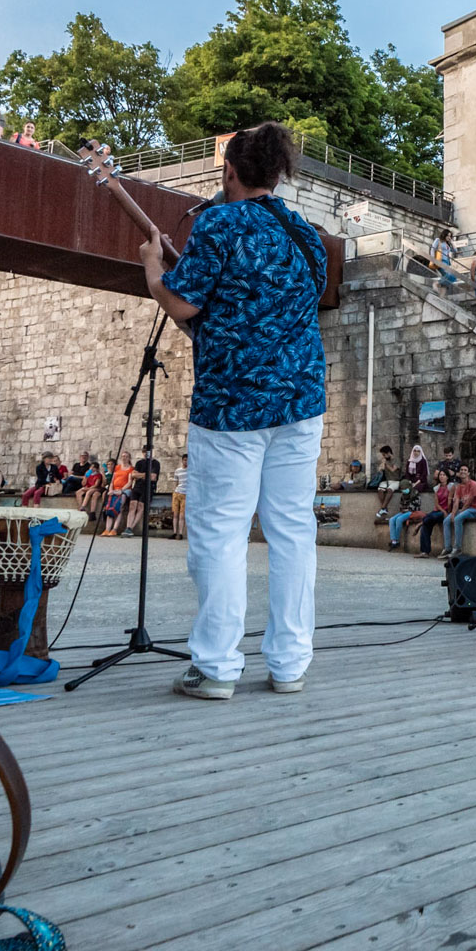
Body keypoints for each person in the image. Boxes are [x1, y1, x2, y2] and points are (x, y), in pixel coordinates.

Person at [140, 121, 326, 701]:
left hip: (231, 405)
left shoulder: (218, 224)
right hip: (299, 402)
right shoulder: (307, 234)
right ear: (275, 173)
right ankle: (291, 663)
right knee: (293, 531)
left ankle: (217, 667)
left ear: (230, 172)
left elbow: (184, 301)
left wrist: (153, 269)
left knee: (220, 533)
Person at [442, 464, 476, 560]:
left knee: (458, 519)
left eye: (465, 470)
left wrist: (459, 513)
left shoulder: (473, 484)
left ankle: (457, 548)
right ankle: (447, 548)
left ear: (468, 473)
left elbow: (469, 501)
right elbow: (456, 501)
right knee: (446, 521)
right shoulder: (459, 487)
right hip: (464, 510)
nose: (462, 471)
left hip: (474, 509)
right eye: (461, 470)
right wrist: (453, 513)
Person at [417, 476, 456, 558]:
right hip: (439, 510)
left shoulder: (451, 486)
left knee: (429, 518)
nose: (442, 477)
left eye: (444, 475)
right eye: (440, 475)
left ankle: (421, 522)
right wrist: (443, 511)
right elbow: (437, 503)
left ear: (447, 476)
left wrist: (447, 512)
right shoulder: (436, 488)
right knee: (426, 525)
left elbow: (450, 501)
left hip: (447, 511)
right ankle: (425, 551)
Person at [386, 483, 427, 552]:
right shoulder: (403, 495)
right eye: (402, 489)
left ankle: (397, 540)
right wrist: (403, 509)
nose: (404, 490)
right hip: (404, 511)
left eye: (405, 488)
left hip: (412, 511)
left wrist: (405, 509)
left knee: (399, 519)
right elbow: (401, 505)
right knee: (392, 520)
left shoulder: (415, 494)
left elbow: (415, 506)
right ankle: (393, 540)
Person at [169, 452, 190, 538]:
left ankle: (180, 533)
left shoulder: (191, 471)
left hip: (186, 493)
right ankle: (174, 532)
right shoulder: (178, 471)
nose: (186, 462)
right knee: (175, 513)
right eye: (184, 460)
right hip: (177, 492)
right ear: (182, 461)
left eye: (187, 460)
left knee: (182, 514)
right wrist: (174, 491)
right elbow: (176, 482)